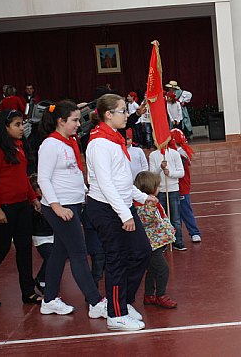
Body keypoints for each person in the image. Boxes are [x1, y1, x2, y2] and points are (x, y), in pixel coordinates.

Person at [85, 94, 154, 330]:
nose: (127, 115)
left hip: (122, 205)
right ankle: (115, 314)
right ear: (108, 115)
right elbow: (105, 184)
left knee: (142, 251)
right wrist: (125, 214)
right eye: (122, 111)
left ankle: (123, 301)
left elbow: (122, 181)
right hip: (107, 208)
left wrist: (143, 197)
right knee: (116, 259)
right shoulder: (99, 144)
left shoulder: (114, 139)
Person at [37, 101, 109, 318]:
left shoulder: (69, 142)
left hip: (73, 204)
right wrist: (57, 206)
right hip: (60, 206)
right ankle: (96, 302)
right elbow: (43, 178)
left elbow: (74, 173)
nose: (79, 124)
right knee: (78, 253)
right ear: (61, 121)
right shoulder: (50, 145)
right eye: (75, 120)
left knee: (60, 252)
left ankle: (49, 299)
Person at [0, 109, 43, 307]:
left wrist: (32, 197)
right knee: (1, 248)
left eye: (21, 123)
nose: (21, 128)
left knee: (24, 249)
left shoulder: (18, 146)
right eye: (16, 124)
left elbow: (22, 176)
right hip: (4, 207)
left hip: (22, 206)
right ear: (5, 127)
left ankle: (28, 291)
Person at [135, 171, 178, 309]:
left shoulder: (153, 202)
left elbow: (161, 218)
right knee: (162, 269)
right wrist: (150, 206)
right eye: (157, 186)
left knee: (152, 270)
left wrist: (169, 229)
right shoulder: (142, 206)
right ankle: (161, 295)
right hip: (150, 244)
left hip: (157, 242)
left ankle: (149, 295)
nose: (159, 189)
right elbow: (147, 220)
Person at [149, 142, 187, 251]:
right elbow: (152, 174)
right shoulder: (153, 155)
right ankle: (164, 243)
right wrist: (160, 168)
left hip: (173, 189)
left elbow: (181, 172)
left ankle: (178, 241)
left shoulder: (174, 154)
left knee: (175, 218)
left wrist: (170, 173)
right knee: (161, 218)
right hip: (160, 190)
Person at [170, 128, 202, 243]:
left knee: (185, 211)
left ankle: (194, 232)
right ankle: (172, 236)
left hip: (181, 187)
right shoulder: (171, 151)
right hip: (170, 186)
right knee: (171, 213)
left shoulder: (181, 152)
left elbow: (179, 169)